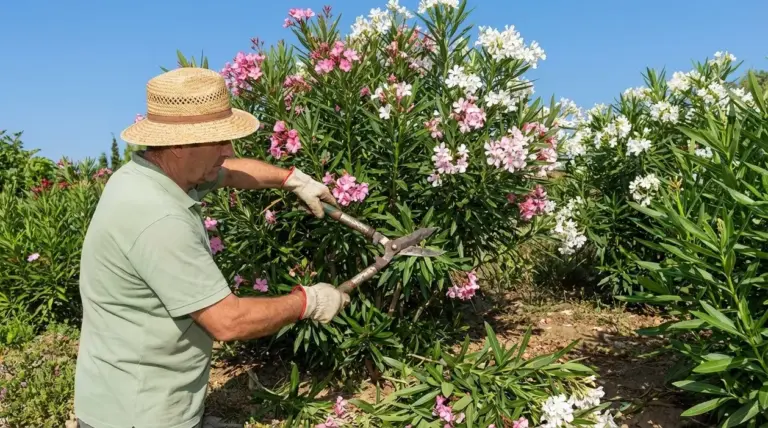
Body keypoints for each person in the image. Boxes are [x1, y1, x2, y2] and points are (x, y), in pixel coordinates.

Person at [73, 67, 351, 428]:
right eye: (218, 140)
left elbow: (230, 171)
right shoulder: (157, 218)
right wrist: (309, 302)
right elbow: (228, 321)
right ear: (177, 145)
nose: (228, 150)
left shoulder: (148, 175)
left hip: (125, 394)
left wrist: (292, 179)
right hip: (138, 415)